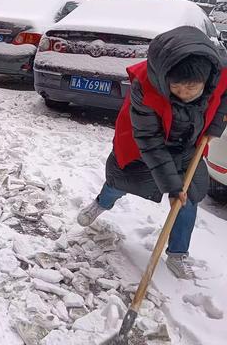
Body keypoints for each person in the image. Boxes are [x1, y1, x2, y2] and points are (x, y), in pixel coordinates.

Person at [77, 26, 227, 280]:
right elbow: (149, 139)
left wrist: (214, 126)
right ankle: (101, 203)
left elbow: (223, 98)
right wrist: (170, 185)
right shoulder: (145, 89)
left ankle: (178, 254)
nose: (186, 96)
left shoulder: (218, 72)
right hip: (144, 145)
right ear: (165, 78)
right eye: (178, 89)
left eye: (193, 90)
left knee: (187, 200)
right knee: (121, 182)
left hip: (188, 147)